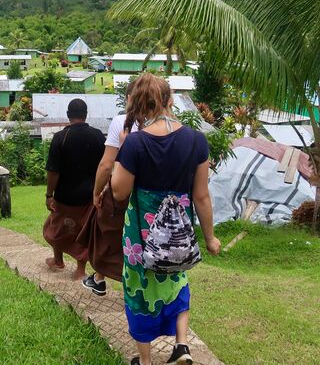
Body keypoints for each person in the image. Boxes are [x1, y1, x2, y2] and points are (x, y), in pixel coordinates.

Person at [111, 73, 220, 365]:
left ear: (138, 104)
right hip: (178, 233)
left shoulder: (135, 143)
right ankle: (181, 345)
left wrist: (123, 149)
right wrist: (210, 238)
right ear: (170, 100)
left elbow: (119, 191)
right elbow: (201, 196)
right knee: (177, 279)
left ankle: (146, 361)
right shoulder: (196, 140)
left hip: (142, 235)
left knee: (138, 290)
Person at [79, 82, 139, 296]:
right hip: (151, 193)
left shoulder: (122, 122)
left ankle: (104, 278)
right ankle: (99, 277)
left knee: (107, 232)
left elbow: (106, 164)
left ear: (129, 98)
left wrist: (97, 192)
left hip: (121, 190)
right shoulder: (167, 126)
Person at [43, 99, 105, 281]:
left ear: (68, 115)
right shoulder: (98, 136)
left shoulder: (61, 137)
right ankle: (80, 270)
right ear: (86, 115)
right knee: (83, 232)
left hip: (65, 196)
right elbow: (105, 166)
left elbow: (53, 171)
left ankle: (58, 260)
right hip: (89, 196)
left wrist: (49, 195)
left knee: (56, 227)